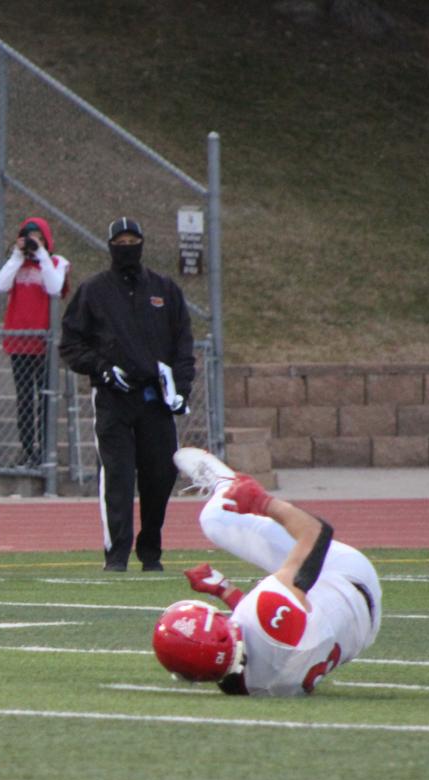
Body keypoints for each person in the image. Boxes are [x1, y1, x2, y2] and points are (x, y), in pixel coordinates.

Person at [156, 448, 382, 696]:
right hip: (346, 576)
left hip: (360, 632)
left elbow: (262, 638)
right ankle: (227, 486)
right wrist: (262, 502)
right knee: (216, 519)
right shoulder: (266, 610)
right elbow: (317, 533)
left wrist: (225, 590)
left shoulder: (246, 687)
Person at [60, 217, 193, 572]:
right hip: (114, 399)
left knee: (160, 473)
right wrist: (102, 368)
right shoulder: (93, 291)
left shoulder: (165, 290)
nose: (127, 247)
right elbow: (71, 344)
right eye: (120, 242)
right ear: (109, 246)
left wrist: (181, 389)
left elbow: (183, 344)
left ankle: (151, 550)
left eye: (133, 240)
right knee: (117, 474)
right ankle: (116, 555)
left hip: (156, 399)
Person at [0, 216, 70, 467]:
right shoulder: (16, 264)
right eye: (28, 236)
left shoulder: (57, 262)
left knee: (46, 398)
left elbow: (55, 288)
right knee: (25, 399)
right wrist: (17, 256)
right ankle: (28, 450)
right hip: (20, 343)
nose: (32, 241)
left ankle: (46, 452)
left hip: (45, 344)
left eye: (37, 236)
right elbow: (1, 284)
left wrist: (42, 255)